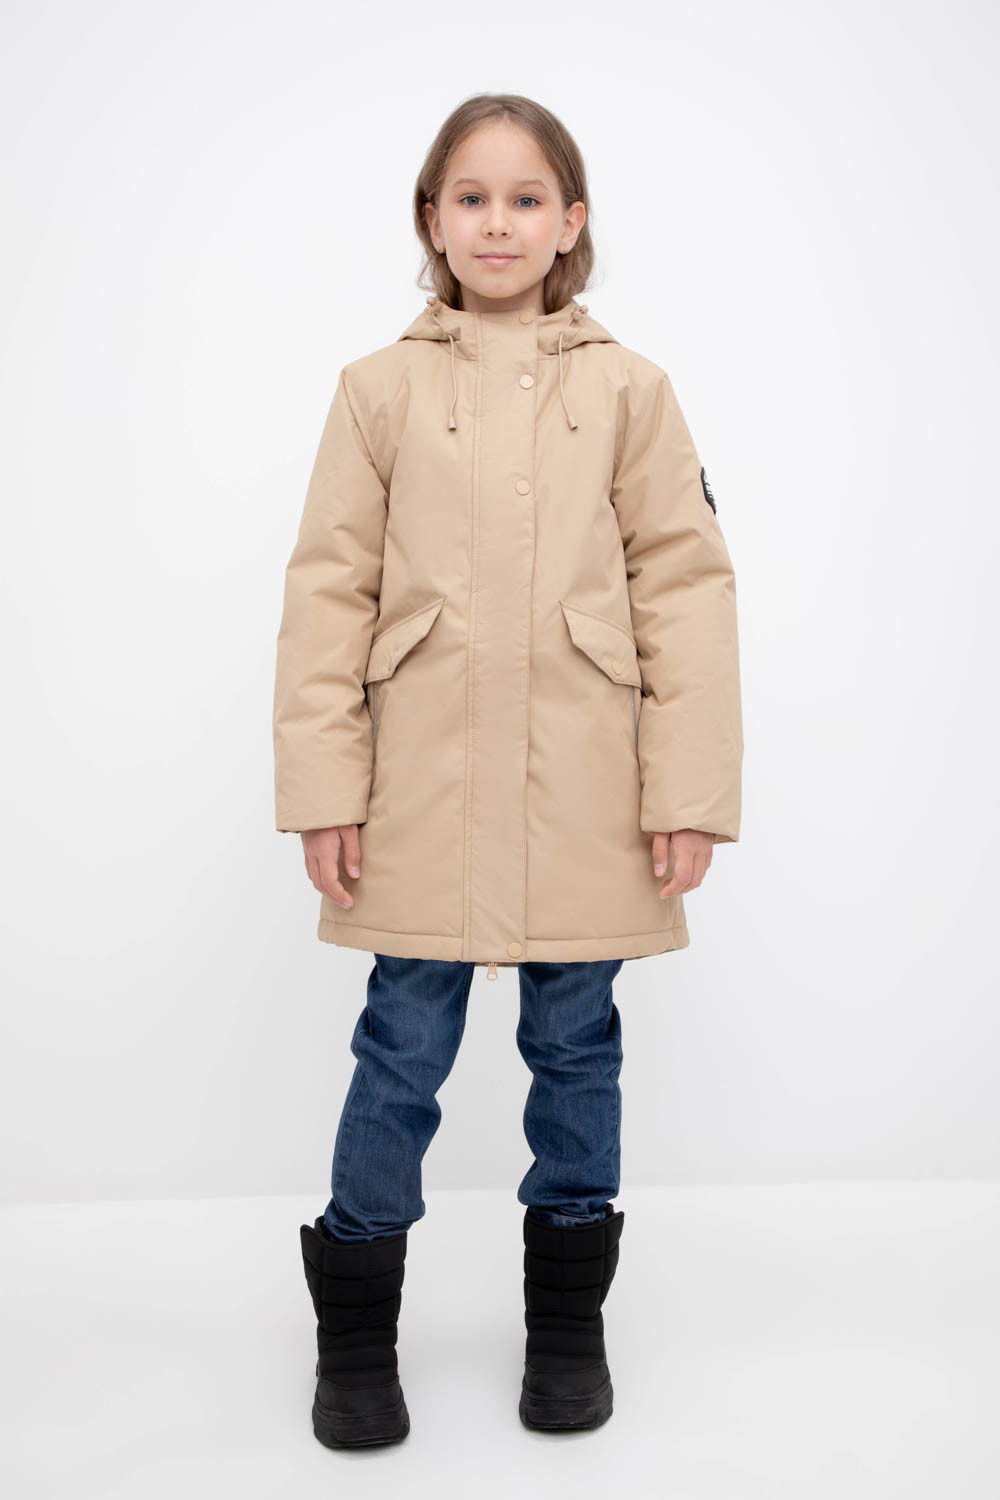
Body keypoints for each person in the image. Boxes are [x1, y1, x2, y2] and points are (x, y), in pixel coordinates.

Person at [273, 93, 743, 1450]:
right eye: (470, 198)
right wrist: (325, 791)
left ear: (571, 220)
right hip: (418, 788)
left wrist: (686, 794)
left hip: (584, 785)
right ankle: (355, 1338)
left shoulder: (630, 391)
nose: (498, 222)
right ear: (432, 220)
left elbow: (685, 591)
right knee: (399, 1051)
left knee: (576, 1048)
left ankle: (567, 1330)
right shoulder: (377, 391)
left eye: (527, 197)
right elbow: (328, 594)